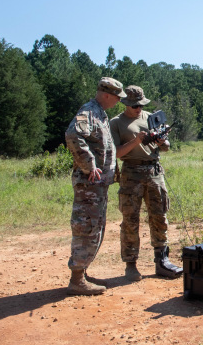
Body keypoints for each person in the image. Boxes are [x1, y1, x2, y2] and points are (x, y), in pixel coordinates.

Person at [109, 85, 182, 281]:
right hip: (131, 173)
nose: (138, 109)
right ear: (126, 104)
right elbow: (116, 153)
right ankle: (131, 264)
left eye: (141, 105)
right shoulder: (116, 123)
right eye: (134, 106)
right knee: (130, 220)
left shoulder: (151, 118)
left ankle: (162, 261)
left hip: (154, 171)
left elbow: (165, 147)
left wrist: (161, 142)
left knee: (159, 216)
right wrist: (136, 141)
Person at [65, 77, 126, 295]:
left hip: (98, 186)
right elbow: (72, 135)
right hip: (89, 185)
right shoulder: (89, 112)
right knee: (87, 227)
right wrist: (89, 165)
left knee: (96, 226)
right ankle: (77, 279)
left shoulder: (100, 113)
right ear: (107, 95)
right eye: (118, 98)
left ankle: (83, 272)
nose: (119, 102)